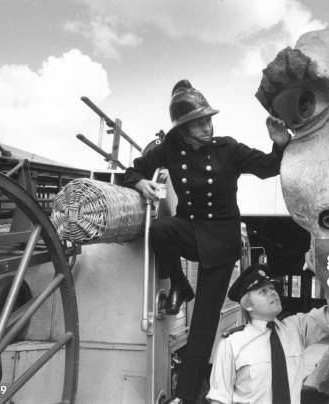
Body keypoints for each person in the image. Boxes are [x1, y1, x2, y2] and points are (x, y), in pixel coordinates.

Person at [123, 80, 290, 403]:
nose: (207, 126)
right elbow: (135, 169)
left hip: (222, 239)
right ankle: (180, 284)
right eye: (198, 122)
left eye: (208, 119)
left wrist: (280, 143)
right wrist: (141, 181)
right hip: (189, 228)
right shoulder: (171, 148)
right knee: (160, 231)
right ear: (183, 129)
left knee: (202, 326)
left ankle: (185, 397)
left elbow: (270, 168)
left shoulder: (229, 148)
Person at [206, 260, 329, 404]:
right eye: (263, 291)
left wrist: (323, 273)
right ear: (247, 305)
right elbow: (220, 399)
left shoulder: (296, 327)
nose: (273, 293)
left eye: (272, 288)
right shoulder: (231, 344)